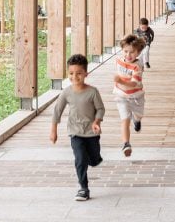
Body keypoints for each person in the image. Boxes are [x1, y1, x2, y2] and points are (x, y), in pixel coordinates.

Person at [50, 53, 105, 202]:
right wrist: (53, 130)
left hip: (92, 133)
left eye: (79, 73)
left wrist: (97, 122)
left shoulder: (92, 92)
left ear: (86, 73)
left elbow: (100, 109)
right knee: (80, 158)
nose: (75, 77)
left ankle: (94, 159)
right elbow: (57, 111)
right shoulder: (67, 92)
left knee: (93, 159)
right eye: (71, 73)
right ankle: (83, 188)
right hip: (75, 133)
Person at [114, 34, 147, 157]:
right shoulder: (118, 60)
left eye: (132, 52)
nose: (128, 55)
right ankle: (126, 143)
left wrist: (120, 81)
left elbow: (133, 84)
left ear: (138, 53)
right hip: (121, 96)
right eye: (125, 51)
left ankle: (137, 120)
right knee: (125, 119)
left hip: (136, 97)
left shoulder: (138, 67)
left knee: (138, 116)